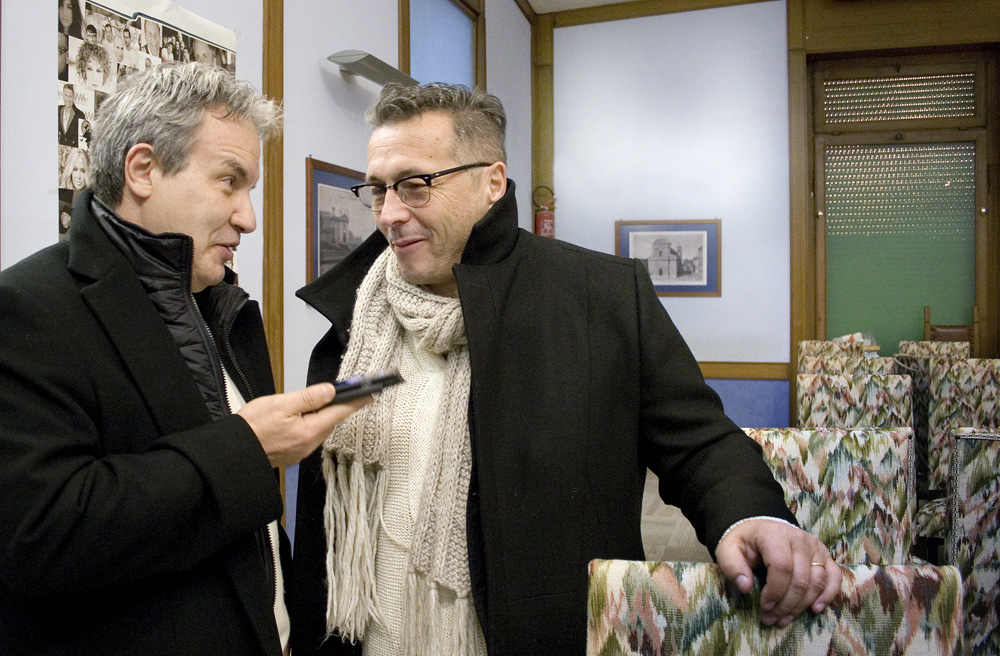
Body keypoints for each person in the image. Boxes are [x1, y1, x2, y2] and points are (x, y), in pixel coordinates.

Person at [290, 83, 842, 656]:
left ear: (492, 182)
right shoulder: (353, 325)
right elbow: (319, 532)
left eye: (415, 185)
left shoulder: (599, 298)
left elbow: (698, 443)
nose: (389, 214)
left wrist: (749, 516)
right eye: (378, 190)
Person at [0, 62, 369, 655]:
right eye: (229, 182)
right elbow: (39, 534)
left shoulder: (223, 307)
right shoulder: (27, 308)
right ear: (143, 170)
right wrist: (247, 449)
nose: (248, 217)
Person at [58, 83, 86, 147]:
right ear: (63, 95)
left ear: (73, 97)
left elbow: (82, 140)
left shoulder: (80, 115)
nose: (68, 99)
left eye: (70, 96)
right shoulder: (57, 110)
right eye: (66, 95)